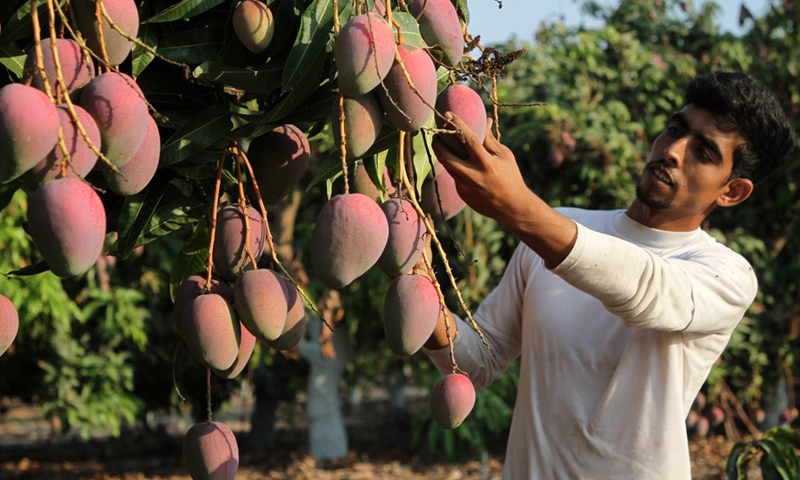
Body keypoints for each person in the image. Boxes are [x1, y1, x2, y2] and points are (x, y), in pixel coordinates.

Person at [421, 71, 796, 479]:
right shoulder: (555, 228)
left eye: (704, 153)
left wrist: (520, 209)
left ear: (732, 191)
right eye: (674, 129)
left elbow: (645, 290)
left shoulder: (726, 275)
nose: (672, 150)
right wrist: (412, 272)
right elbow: (481, 359)